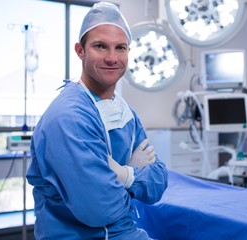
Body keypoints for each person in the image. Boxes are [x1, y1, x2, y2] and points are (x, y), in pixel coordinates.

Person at [26, 2, 168, 239]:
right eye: (101, 47)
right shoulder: (69, 117)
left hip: (127, 232)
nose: (112, 58)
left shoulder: (125, 112)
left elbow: (158, 184)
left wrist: (123, 175)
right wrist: (135, 176)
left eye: (120, 48)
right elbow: (100, 209)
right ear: (80, 51)